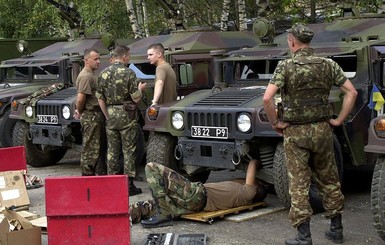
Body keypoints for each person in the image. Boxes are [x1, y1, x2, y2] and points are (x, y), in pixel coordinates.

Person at [263, 23, 357, 245]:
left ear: (292, 41)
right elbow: (351, 92)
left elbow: (267, 99)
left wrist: (275, 122)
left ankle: (304, 237)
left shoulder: (285, 67)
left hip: (296, 133)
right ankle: (336, 229)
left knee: (298, 183)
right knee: (329, 179)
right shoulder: (328, 65)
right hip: (323, 130)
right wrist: (339, 120)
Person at [130, 159, 266, 228]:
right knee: (144, 207)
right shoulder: (239, 193)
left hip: (197, 195)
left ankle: (164, 213)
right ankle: (122, 218)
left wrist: (256, 162)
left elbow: (252, 164)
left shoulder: (248, 194)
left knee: (152, 167)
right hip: (190, 204)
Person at [96, 45, 146, 196]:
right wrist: (140, 89)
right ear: (124, 57)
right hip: (127, 115)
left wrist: (107, 115)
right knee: (129, 149)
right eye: (128, 56)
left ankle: (112, 182)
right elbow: (136, 98)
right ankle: (128, 184)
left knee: (112, 150)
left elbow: (100, 99)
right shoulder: (129, 73)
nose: (128, 59)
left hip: (110, 114)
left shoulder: (103, 74)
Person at [74, 48, 107, 176]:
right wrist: (80, 111)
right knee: (90, 148)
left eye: (99, 59)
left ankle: (98, 174)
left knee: (96, 147)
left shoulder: (91, 74)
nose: (98, 62)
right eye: (95, 59)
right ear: (86, 60)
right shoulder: (86, 76)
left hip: (94, 115)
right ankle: (87, 175)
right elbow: (81, 98)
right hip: (91, 115)